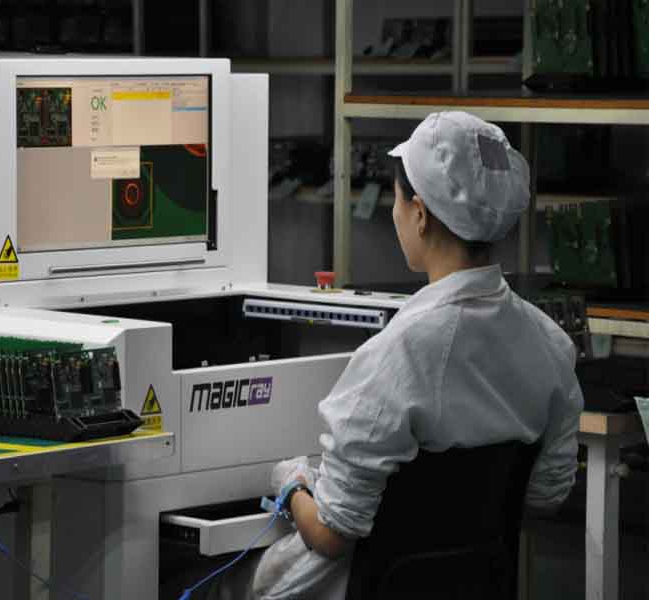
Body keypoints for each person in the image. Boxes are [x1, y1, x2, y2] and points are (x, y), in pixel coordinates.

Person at [205, 111, 584, 600]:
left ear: (420, 214)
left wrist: (292, 484)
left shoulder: (399, 353)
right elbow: (544, 498)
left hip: (360, 587)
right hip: (473, 587)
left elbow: (331, 535)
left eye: (398, 200)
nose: (395, 213)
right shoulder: (552, 345)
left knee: (198, 582)